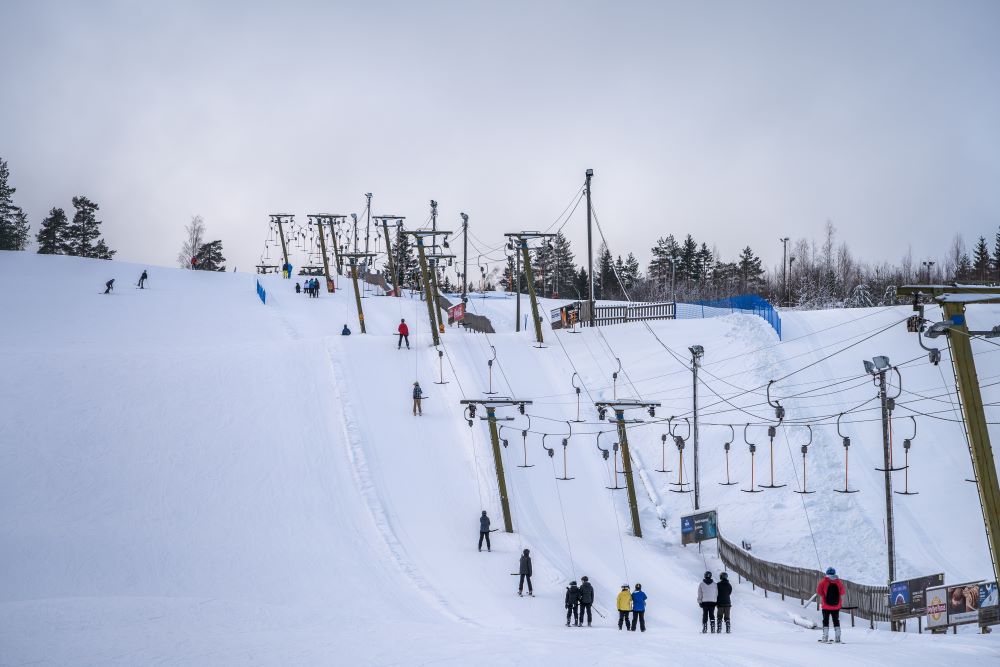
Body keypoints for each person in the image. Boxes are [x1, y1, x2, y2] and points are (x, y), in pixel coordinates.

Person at [817, 567, 846, 643]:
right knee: (836, 620)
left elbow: (819, 593)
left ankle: (825, 637)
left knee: (825, 620)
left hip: (826, 606)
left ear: (827, 573)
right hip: (836, 606)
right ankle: (837, 637)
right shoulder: (839, 582)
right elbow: (842, 593)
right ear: (834, 573)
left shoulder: (823, 582)